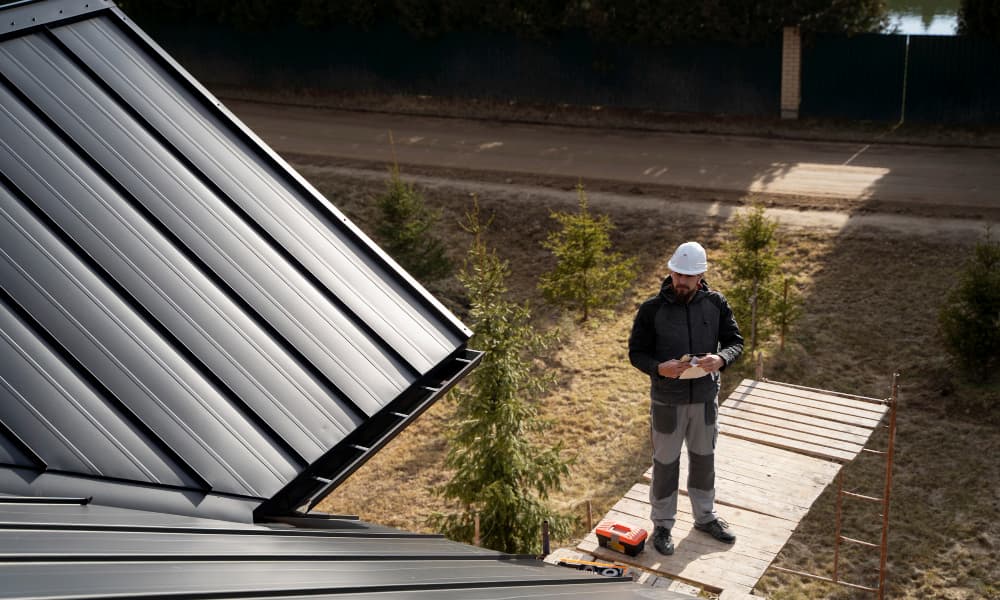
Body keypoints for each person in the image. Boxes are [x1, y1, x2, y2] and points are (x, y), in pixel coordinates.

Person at [627, 241, 743, 555]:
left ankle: (705, 517)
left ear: (701, 276)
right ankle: (662, 524)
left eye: (687, 277)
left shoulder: (716, 303)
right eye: (677, 274)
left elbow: (735, 342)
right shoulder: (652, 309)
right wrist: (657, 368)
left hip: (705, 399)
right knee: (665, 464)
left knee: (704, 460)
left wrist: (721, 359)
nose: (680, 281)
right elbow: (636, 353)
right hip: (667, 401)